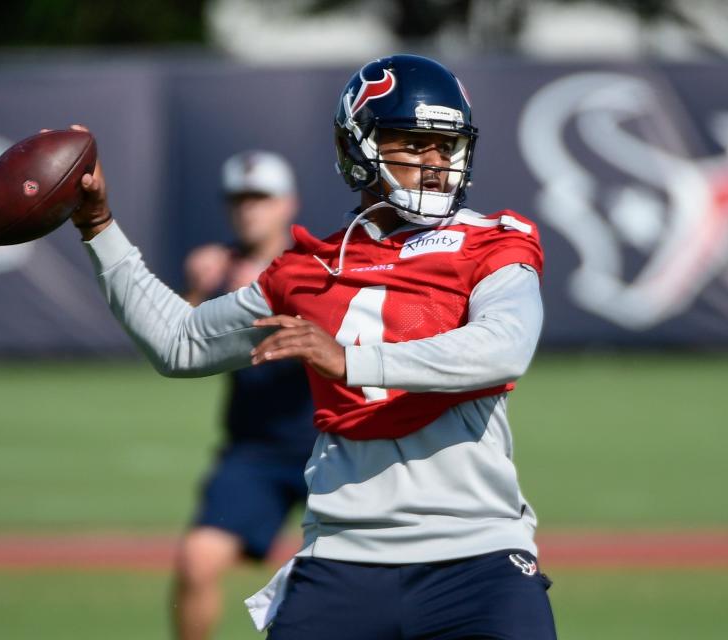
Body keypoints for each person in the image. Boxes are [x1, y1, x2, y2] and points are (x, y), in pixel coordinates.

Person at [68, 54, 556, 639]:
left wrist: (349, 359)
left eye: (445, 146)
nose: (433, 164)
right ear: (360, 145)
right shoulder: (307, 269)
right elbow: (178, 342)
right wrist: (100, 228)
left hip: (478, 556)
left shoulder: (493, 242)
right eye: (411, 142)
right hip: (344, 558)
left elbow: (503, 348)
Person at [173, 151, 315, 640]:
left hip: (330, 440)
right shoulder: (213, 269)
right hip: (254, 448)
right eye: (239, 199)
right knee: (196, 561)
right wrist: (198, 296)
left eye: (261, 198)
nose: (249, 209)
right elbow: (178, 352)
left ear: (287, 204)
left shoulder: (316, 264)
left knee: (344, 582)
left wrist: (259, 297)